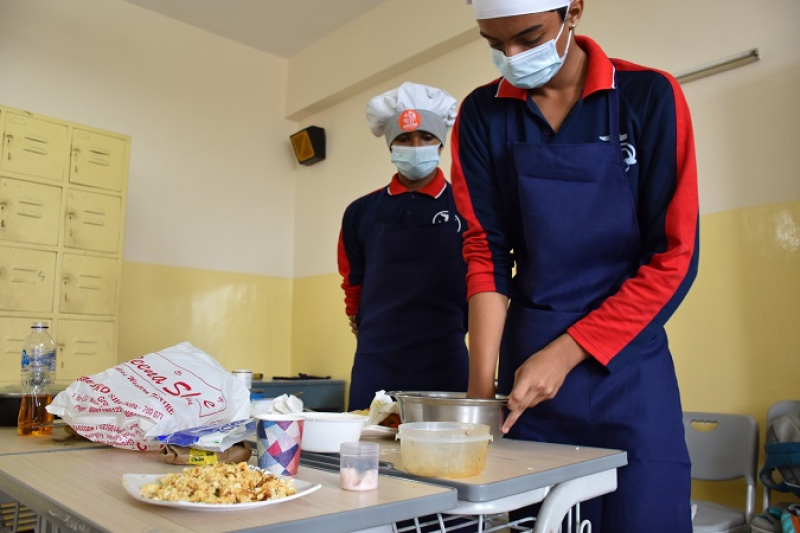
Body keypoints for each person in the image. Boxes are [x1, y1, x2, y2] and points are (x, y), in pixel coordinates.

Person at [451, 0, 699, 531]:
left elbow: (673, 257)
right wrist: (480, 399)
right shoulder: (481, 114)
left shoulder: (647, 95)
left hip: (629, 369)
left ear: (575, 11)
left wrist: (566, 353)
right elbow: (486, 252)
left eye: (529, 37)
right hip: (527, 377)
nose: (513, 56)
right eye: (495, 44)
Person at [338, 81, 469, 410]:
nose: (415, 146)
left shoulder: (467, 207)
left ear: (440, 143)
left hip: (446, 358)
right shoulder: (360, 212)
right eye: (404, 138)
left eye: (426, 137)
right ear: (390, 145)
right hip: (376, 361)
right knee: (369, 438)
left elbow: (483, 277)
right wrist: (359, 319)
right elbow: (352, 280)